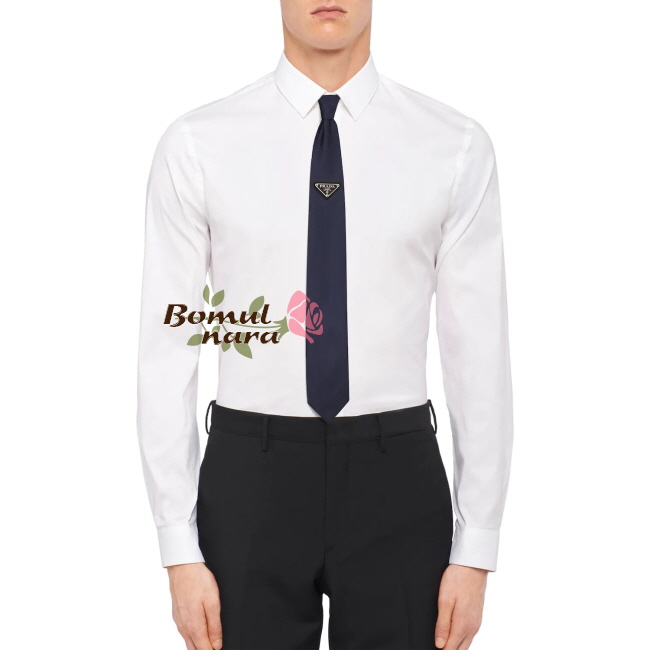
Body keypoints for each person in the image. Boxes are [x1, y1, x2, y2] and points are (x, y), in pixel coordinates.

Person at [137, 1, 514, 648]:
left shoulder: (453, 147)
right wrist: (177, 543)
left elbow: (479, 353)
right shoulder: (198, 145)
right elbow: (167, 350)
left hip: (396, 477)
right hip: (250, 478)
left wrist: (477, 544)